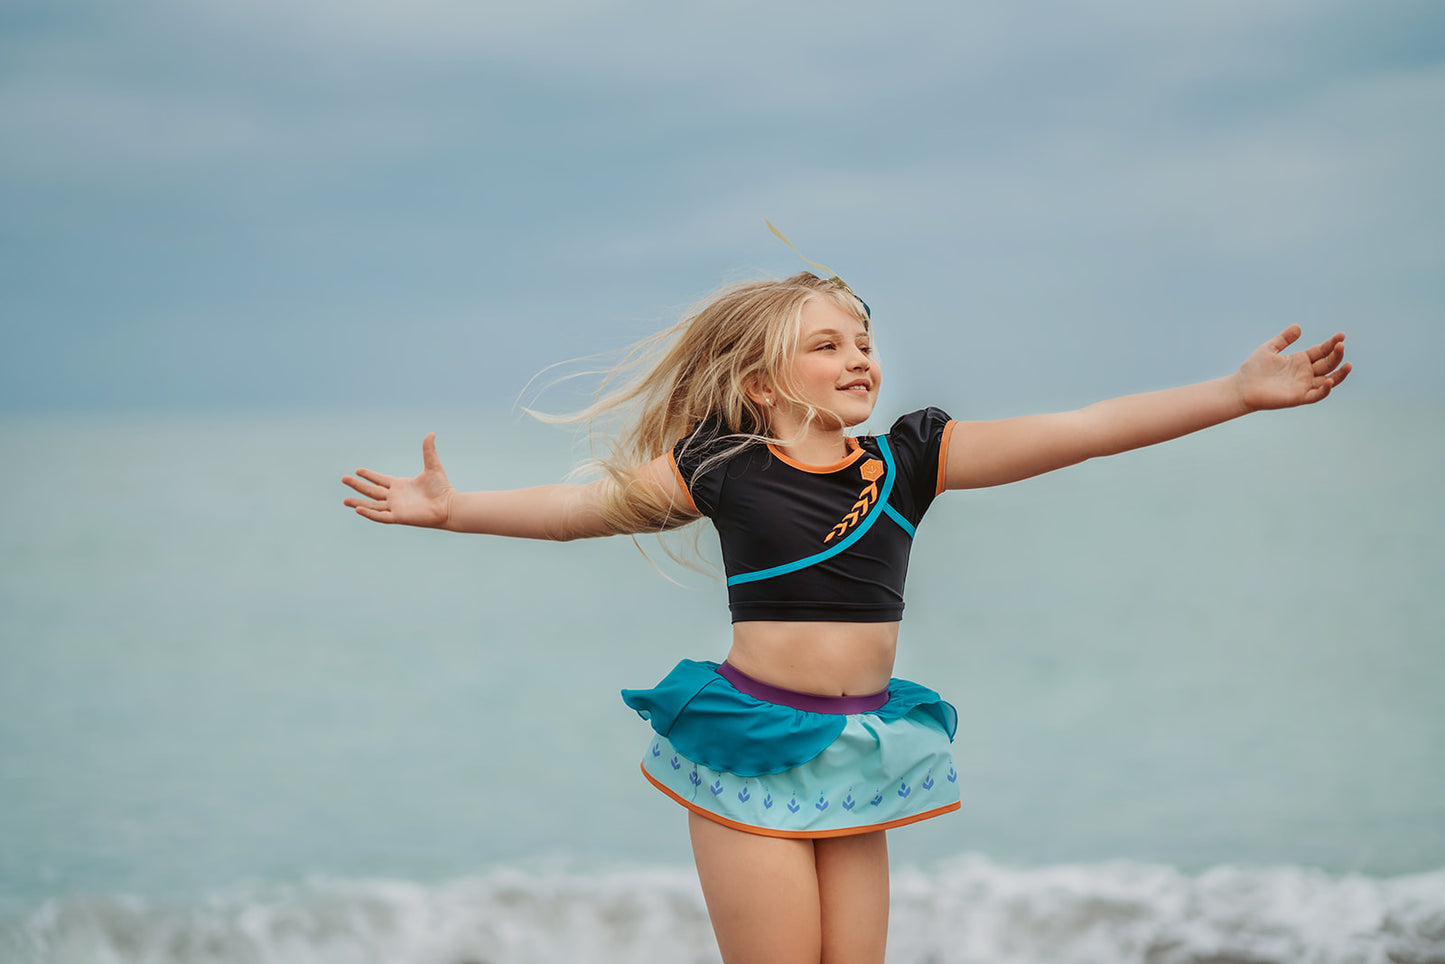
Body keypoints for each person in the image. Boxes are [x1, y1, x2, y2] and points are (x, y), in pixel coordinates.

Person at [341, 268, 1350, 964]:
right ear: (761, 382)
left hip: (856, 751)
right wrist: (453, 509)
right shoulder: (722, 468)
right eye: (826, 344)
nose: (858, 356)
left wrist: (1232, 392)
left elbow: (1078, 432)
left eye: (863, 341)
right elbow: (573, 514)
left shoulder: (909, 458)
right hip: (745, 747)